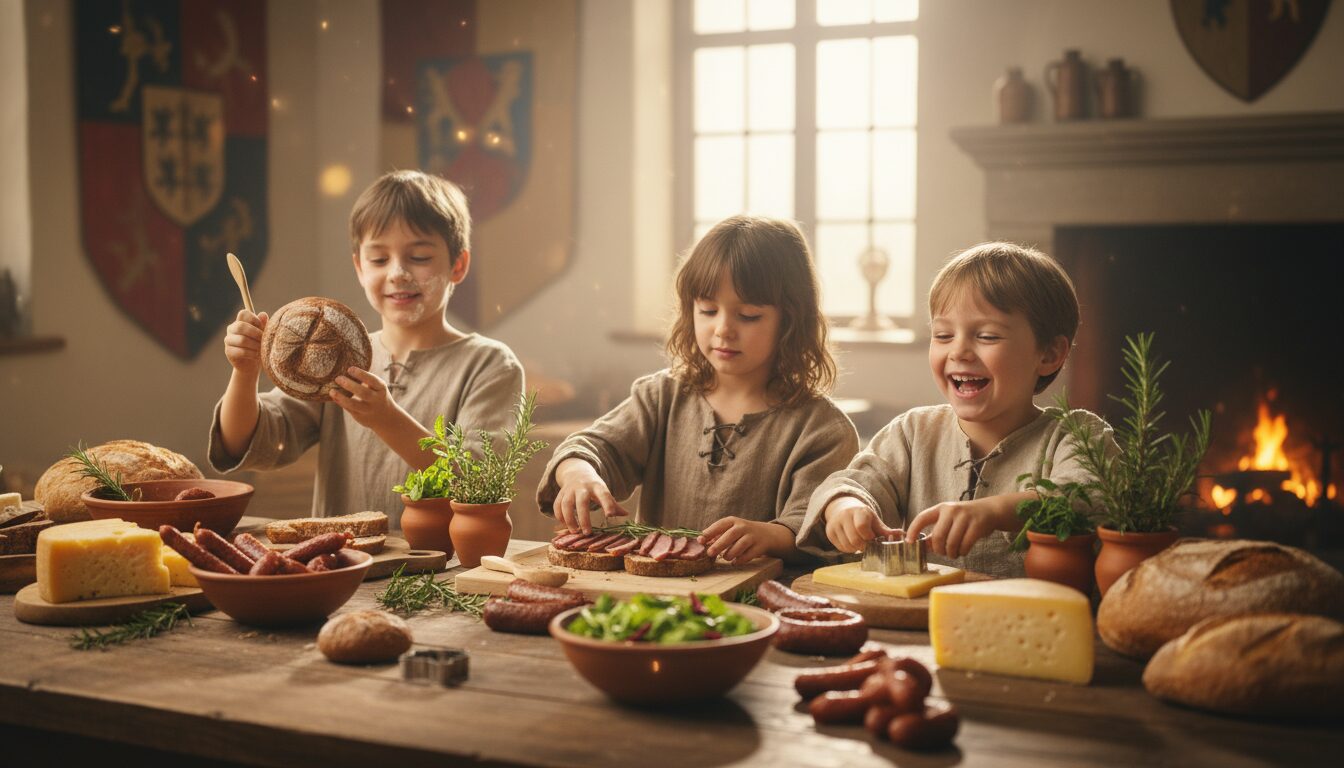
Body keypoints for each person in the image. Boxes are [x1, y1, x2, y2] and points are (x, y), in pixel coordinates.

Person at [537, 215, 859, 564]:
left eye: (748, 315)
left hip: (758, 608)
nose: (723, 329)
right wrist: (577, 472)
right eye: (707, 310)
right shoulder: (661, 397)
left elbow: (815, 525)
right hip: (659, 602)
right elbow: (594, 446)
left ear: (791, 320)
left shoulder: (824, 430)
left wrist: (771, 535)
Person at [209, 170, 524, 527]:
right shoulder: (331, 360)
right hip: (341, 565)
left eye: (419, 257)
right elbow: (251, 445)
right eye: (379, 259)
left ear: (458, 265)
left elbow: (478, 483)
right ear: (359, 267)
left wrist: (387, 420)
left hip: (439, 574)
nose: (398, 273)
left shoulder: (490, 365)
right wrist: (245, 373)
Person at [799, 242, 1112, 577]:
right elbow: (853, 483)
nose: (959, 351)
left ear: (1049, 354)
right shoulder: (912, 432)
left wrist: (992, 512)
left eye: (988, 336)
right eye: (943, 335)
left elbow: (1087, 497)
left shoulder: (1077, 436)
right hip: (922, 621)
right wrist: (846, 507)